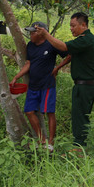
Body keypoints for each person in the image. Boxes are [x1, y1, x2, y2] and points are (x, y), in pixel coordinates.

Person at [35, 12, 94, 148]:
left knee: (79, 116)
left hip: (85, 86)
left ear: (83, 25)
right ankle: (80, 144)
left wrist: (46, 35)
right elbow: (70, 55)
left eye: (73, 26)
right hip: (88, 85)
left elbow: (64, 47)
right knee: (82, 115)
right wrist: (58, 67)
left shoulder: (85, 40)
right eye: (70, 26)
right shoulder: (88, 40)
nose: (71, 28)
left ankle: (79, 147)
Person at [11, 21, 68, 150]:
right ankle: (42, 140)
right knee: (29, 111)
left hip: (47, 85)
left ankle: (51, 143)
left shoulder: (51, 44)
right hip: (33, 85)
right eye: (30, 32)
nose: (30, 35)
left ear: (41, 33)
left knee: (49, 112)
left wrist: (57, 68)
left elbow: (68, 54)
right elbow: (29, 63)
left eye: (33, 32)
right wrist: (16, 77)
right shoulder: (30, 45)